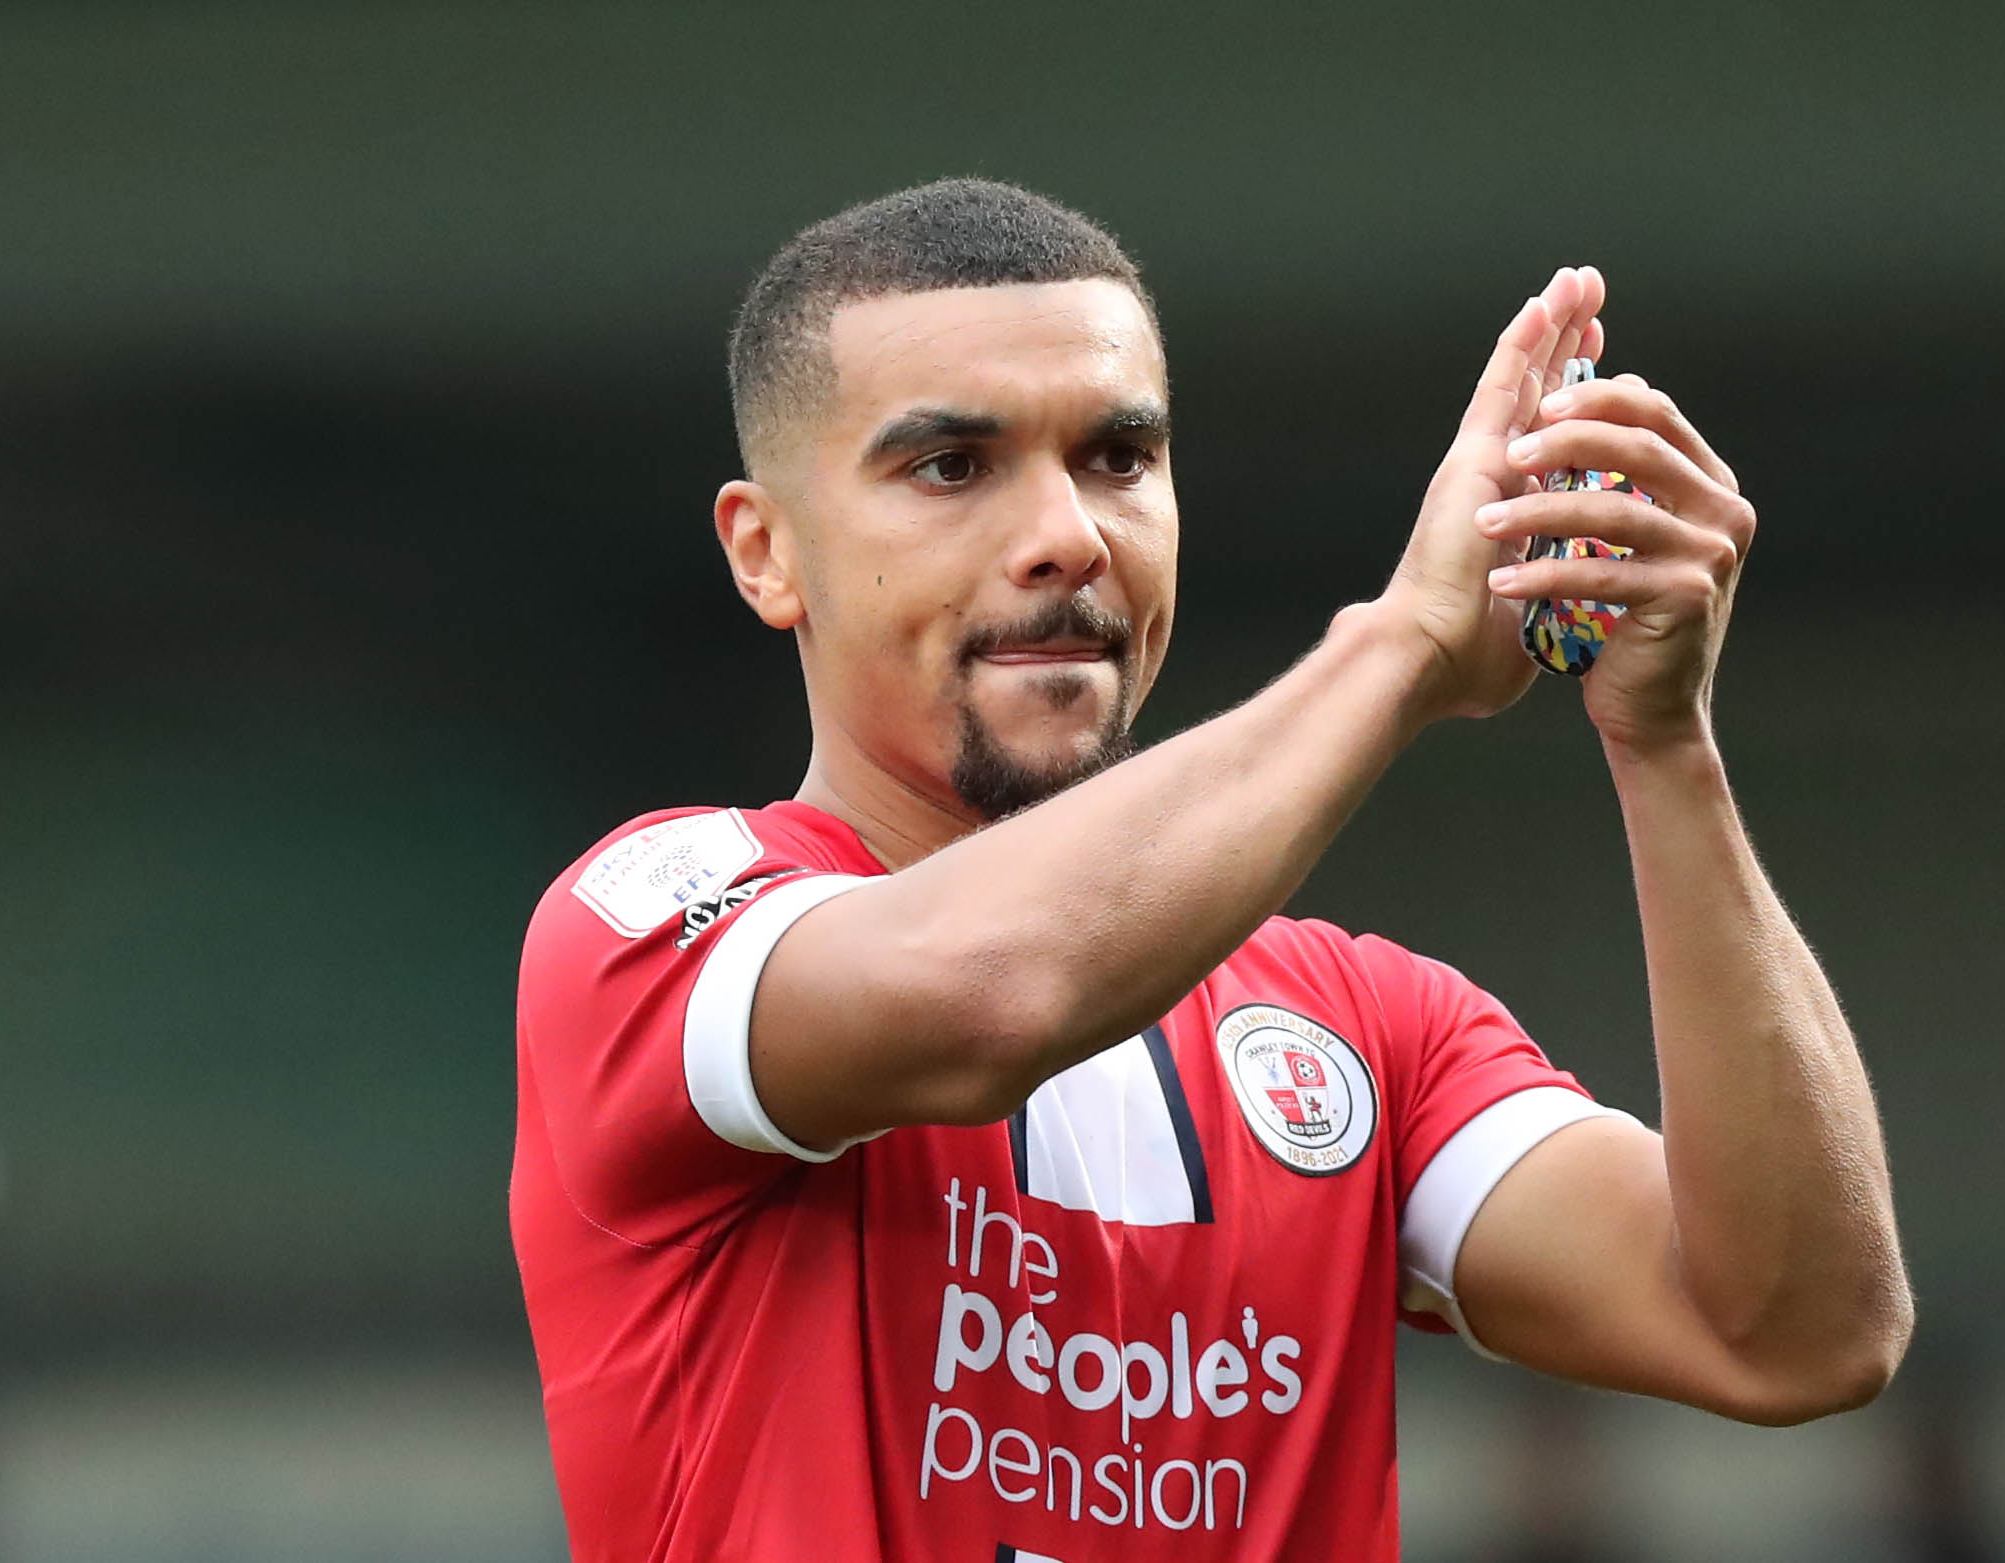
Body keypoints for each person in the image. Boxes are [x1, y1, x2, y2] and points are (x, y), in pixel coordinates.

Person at [510, 178, 1913, 1563]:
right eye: (951, 467)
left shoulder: (1365, 1029)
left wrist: (1665, 748)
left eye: (1117, 459)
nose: (1067, 537)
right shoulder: (655, 923)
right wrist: (1404, 644)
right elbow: (991, 995)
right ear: (767, 554)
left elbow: (1796, 1335)